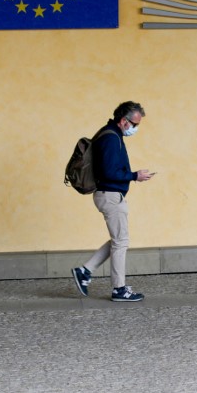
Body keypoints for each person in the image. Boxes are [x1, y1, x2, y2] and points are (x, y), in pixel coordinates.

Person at [72, 101, 155, 302]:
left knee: (119, 239)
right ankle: (119, 289)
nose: (136, 128)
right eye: (135, 124)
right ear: (124, 121)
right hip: (110, 195)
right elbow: (108, 172)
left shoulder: (111, 134)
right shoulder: (110, 138)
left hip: (109, 195)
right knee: (120, 241)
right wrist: (134, 175)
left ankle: (85, 271)